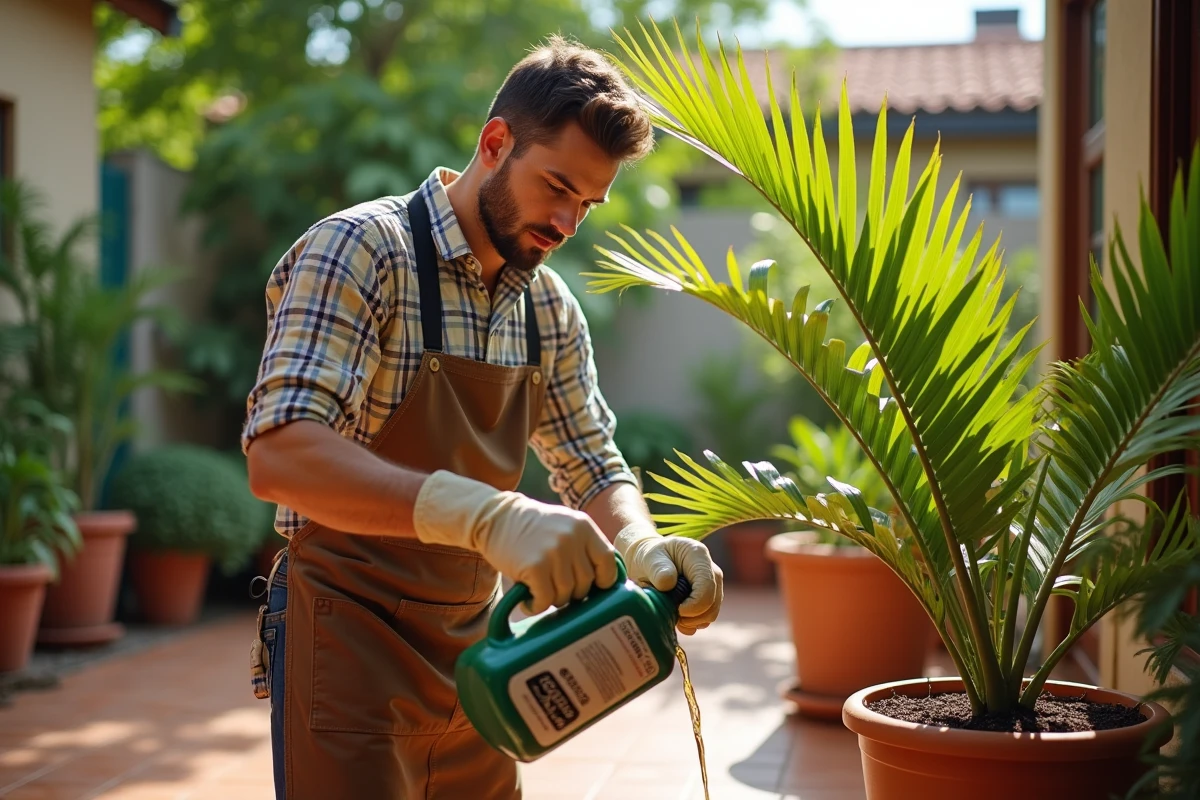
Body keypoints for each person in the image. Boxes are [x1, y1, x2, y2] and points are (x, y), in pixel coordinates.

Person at [242, 34, 724, 800]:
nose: (567, 222)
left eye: (587, 204)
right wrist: (487, 516)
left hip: (480, 666)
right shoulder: (362, 250)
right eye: (556, 186)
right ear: (495, 142)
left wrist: (641, 543)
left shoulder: (548, 309)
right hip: (347, 646)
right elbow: (281, 454)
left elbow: (590, 460)